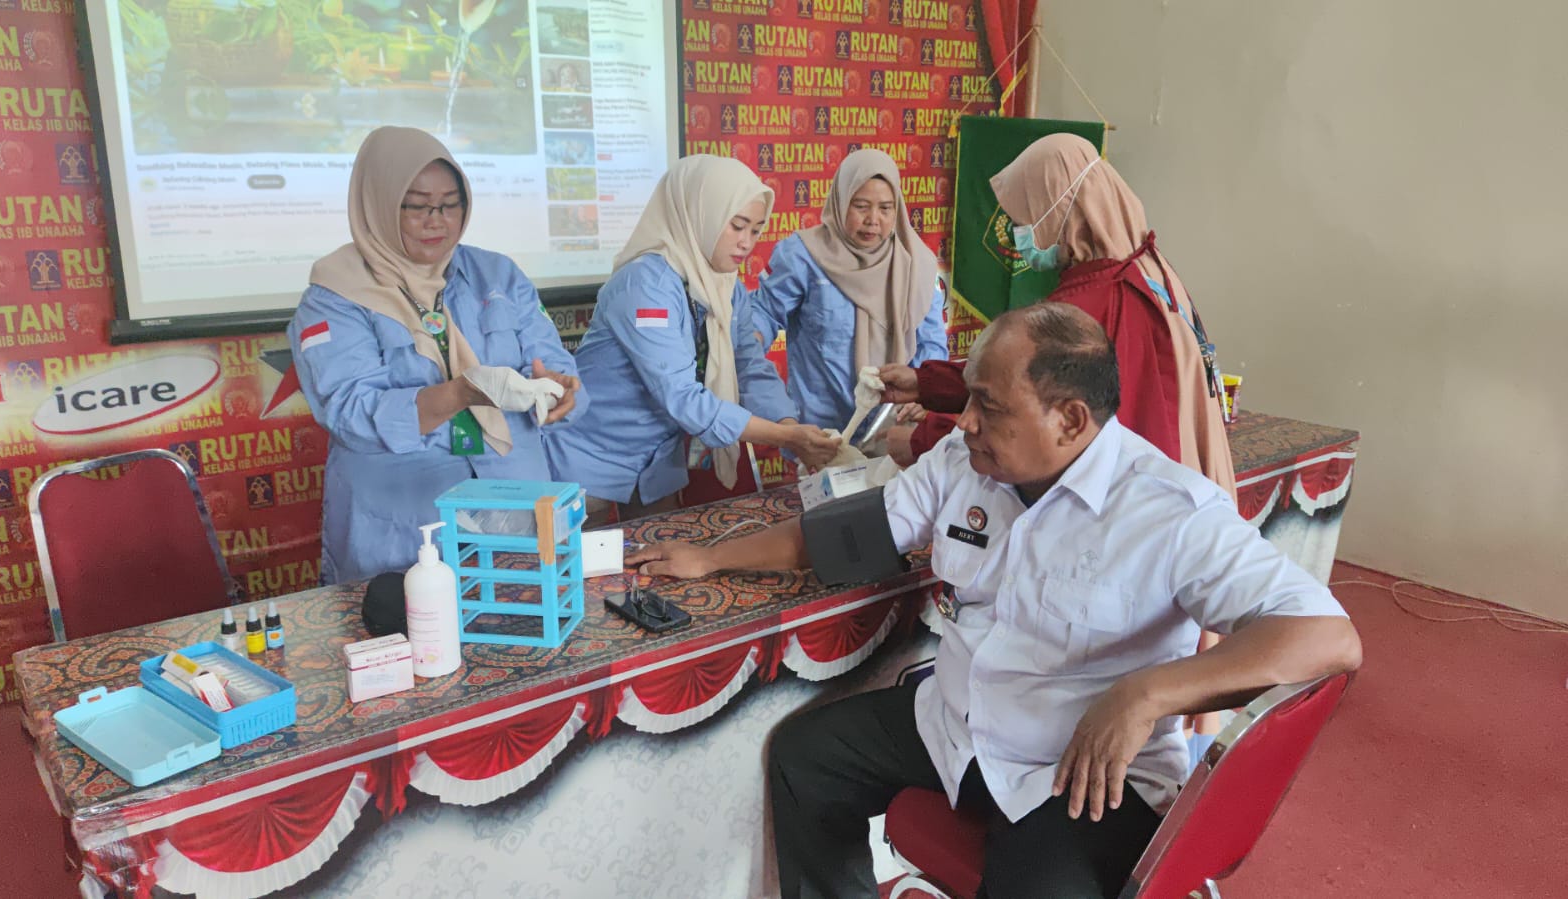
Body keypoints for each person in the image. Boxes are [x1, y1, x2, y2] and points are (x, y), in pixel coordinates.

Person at [630, 303, 1362, 899]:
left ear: (1070, 420)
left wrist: (1146, 692)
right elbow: (845, 532)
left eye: (987, 404)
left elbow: (1327, 638)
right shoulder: (965, 461)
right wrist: (710, 557)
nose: (965, 421)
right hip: (957, 722)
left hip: (1079, 773)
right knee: (804, 756)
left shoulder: (1167, 509)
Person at [290, 126, 582, 584]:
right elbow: (349, 411)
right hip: (405, 521)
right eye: (418, 205)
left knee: (530, 635)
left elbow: (547, 356)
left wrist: (560, 383)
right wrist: (459, 394)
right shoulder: (334, 296)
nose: (438, 220)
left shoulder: (497, 274)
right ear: (380, 204)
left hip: (516, 502)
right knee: (412, 642)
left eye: (451, 204)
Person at [881, 133, 1235, 497]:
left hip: (1125, 496)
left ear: (1061, 211)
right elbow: (1033, 368)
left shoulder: (1092, 301)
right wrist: (923, 383)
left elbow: (1025, 407)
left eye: (1025, 220)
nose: (1021, 236)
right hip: (1182, 472)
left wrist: (923, 439)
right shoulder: (1148, 266)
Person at [547, 155, 838, 522]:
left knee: (658, 561)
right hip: (590, 456)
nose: (746, 242)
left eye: (756, 230)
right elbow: (681, 396)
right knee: (582, 574)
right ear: (701, 214)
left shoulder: (726, 287)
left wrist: (788, 425)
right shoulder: (645, 284)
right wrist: (785, 440)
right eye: (737, 226)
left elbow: (747, 364)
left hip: (656, 464)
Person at [750, 149, 948, 433]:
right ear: (841, 202)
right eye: (861, 206)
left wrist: (929, 389)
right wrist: (745, 351)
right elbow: (764, 314)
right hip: (820, 432)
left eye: (885, 208)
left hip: (895, 430)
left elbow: (931, 344)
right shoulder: (803, 256)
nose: (873, 219)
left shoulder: (916, 264)